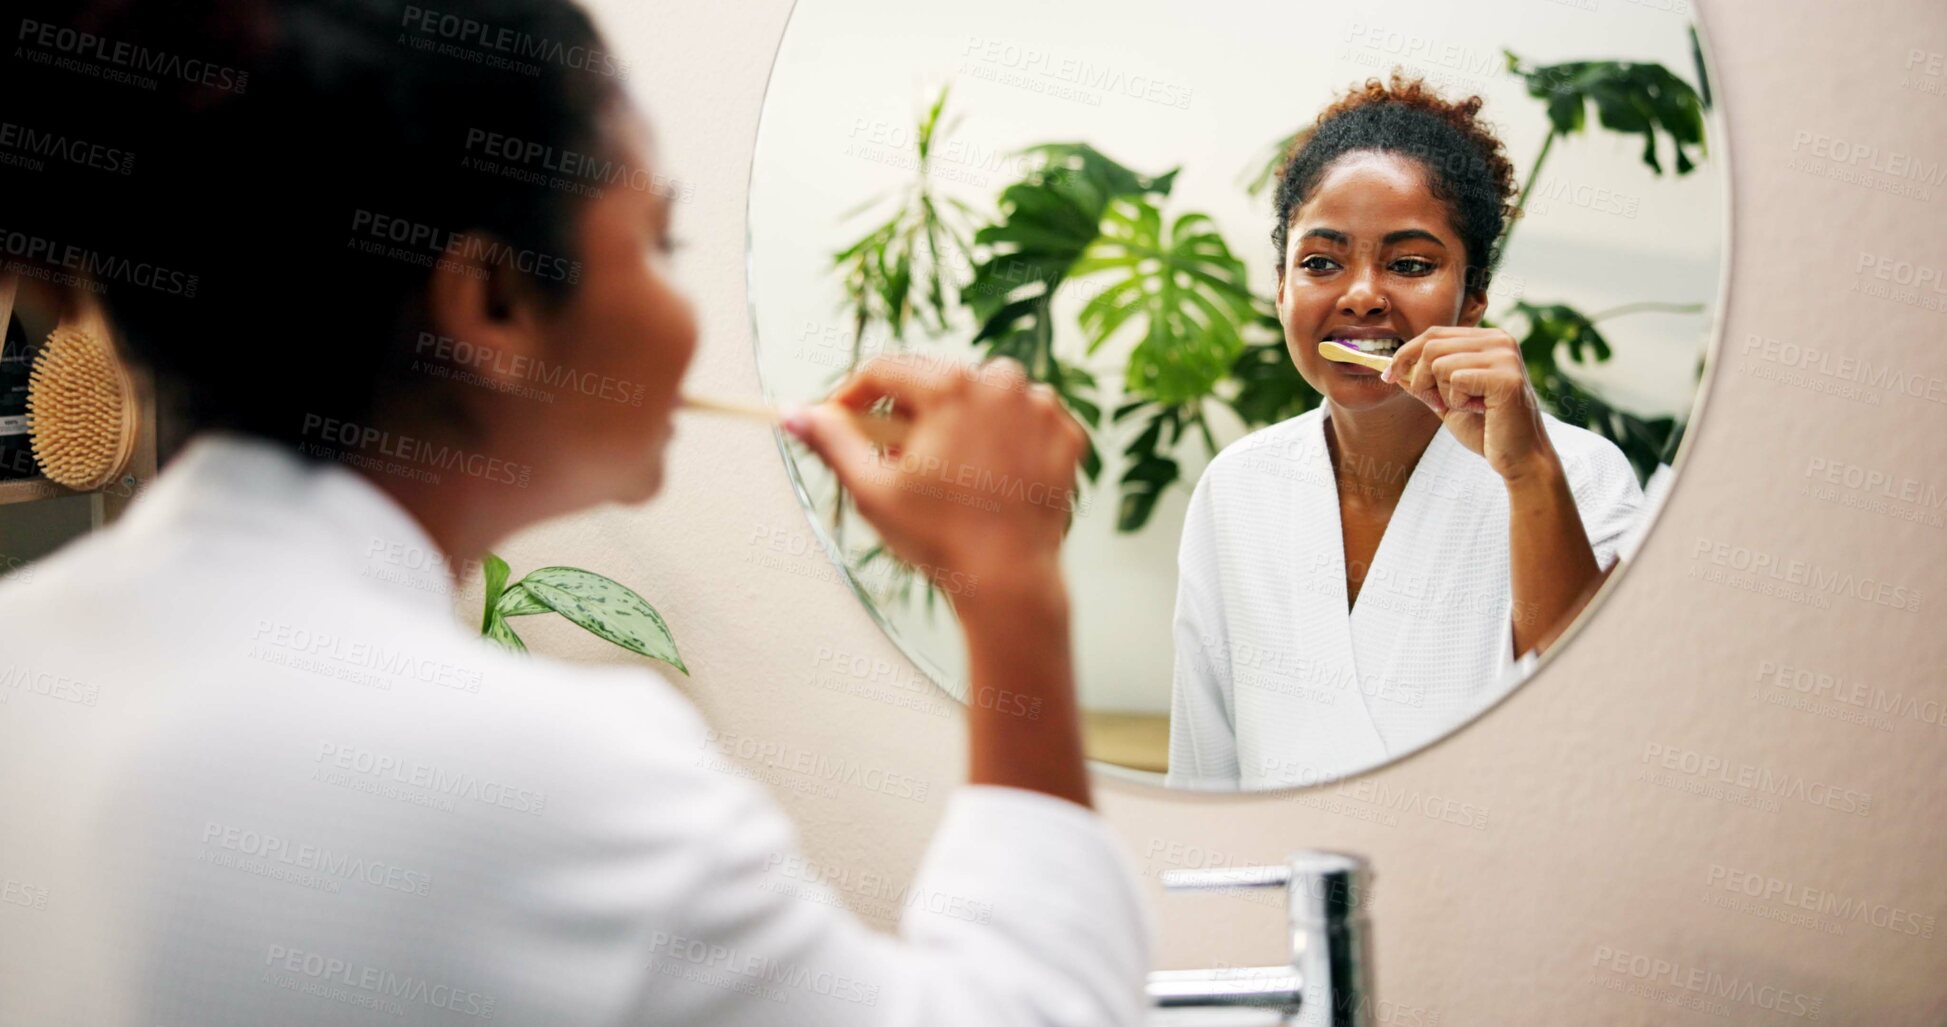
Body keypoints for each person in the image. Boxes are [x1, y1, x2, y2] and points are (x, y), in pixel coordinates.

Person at [0, 1, 1148, 1024]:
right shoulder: (555, 779)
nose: (682, 309)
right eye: (659, 241)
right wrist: (1012, 591)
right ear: (492, 303)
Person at [1166, 75, 1645, 791]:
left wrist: (1527, 474)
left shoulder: (1577, 476)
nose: (1360, 294)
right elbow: (1205, 776)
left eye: (1410, 264)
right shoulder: (1238, 487)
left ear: (1473, 294)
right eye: (1320, 263)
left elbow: (1595, 738)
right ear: (1280, 288)